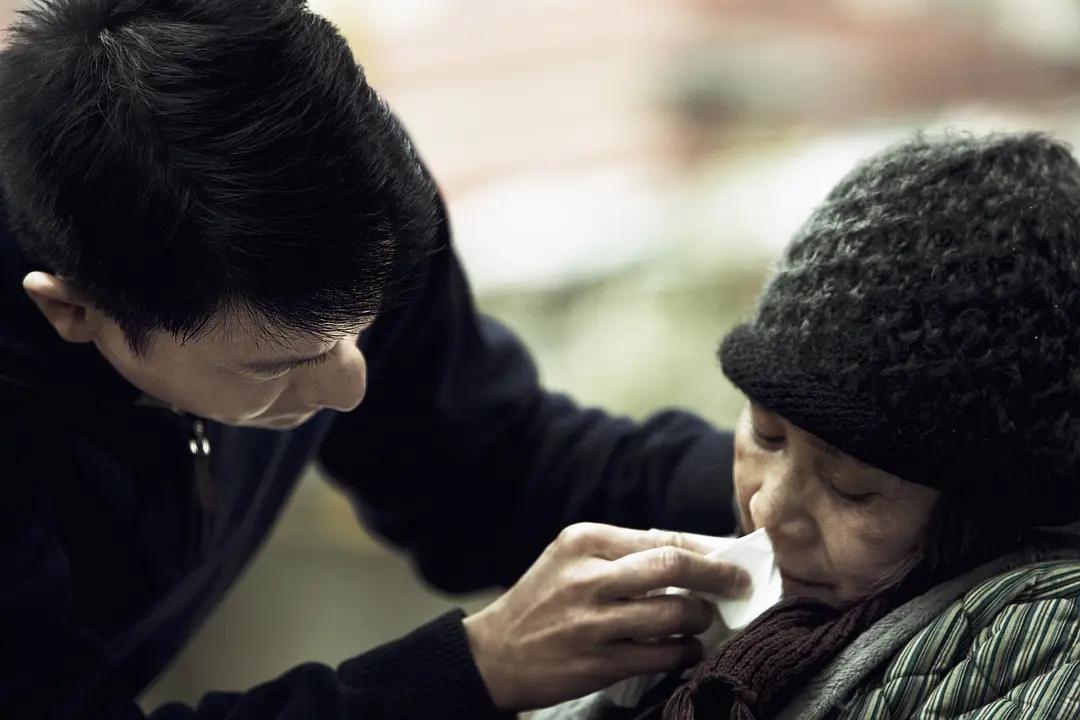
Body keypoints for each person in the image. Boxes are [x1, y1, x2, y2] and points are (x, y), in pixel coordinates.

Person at [0, 1, 752, 718]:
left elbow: (484, 464)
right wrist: (472, 670)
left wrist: (766, 474)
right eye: (277, 367)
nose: (349, 386)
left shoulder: (348, 212)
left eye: (365, 327)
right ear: (73, 310)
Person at [539, 131, 1080, 720]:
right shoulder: (706, 610)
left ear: (988, 513)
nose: (769, 509)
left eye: (851, 488)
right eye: (766, 435)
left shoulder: (1042, 643)